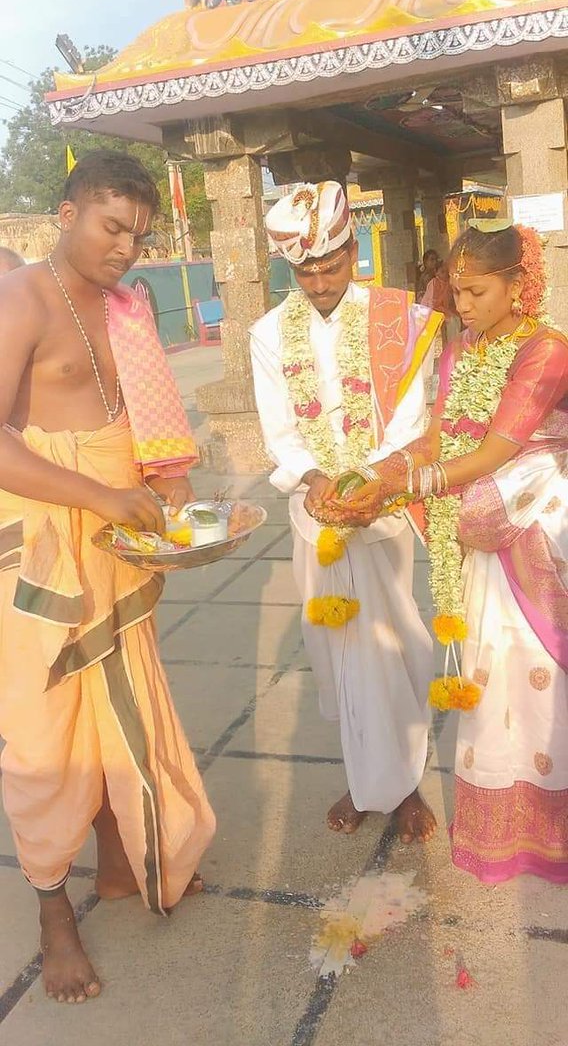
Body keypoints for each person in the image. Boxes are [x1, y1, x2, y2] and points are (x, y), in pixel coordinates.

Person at [0, 150, 215, 1004]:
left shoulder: (128, 308)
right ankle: (55, 905)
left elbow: (142, 420)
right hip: (42, 546)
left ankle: (125, 858)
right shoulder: (19, 302)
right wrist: (101, 494)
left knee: (127, 701)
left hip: (120, 540)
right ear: (66, 214)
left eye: (140, 234)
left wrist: (166, 480)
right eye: (111, 225)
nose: (126, 248)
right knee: (46, 731)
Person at [329, 220, 568, 883]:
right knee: (492, 674)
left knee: (539, 670)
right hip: (481, 528)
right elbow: (439, 436)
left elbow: (497, 449)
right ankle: (504, 821)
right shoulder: (464, 348)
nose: (463, 305)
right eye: (457, 291)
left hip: (538, 529)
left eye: (477, 291)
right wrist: (373, 475)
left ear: (519, 285)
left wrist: (415, 483)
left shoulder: (546, 352)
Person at [249, 181, 442, 841]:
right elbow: (279, 429)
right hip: (316, 514)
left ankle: (407, 784)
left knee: (395, 648)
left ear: (352, 253)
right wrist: (311, 479)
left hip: (381, 509)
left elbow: (413, 416)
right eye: (306, 270)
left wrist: (367, 482)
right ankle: (366, 781)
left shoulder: (399, 319)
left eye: (331, 266)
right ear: (290, 268)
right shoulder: (269, 333)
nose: (321, 281)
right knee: (337, 655)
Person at [422, 260, 461, 345]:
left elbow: (448, 302)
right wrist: (448, 313)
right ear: (436, 273)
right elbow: (434, 303)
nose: (445, 274)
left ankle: (455, 344)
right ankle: (452, 345)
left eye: (446, 272)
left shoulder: (448, 283)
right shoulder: (434, 283)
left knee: (457, 319)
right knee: (451, 321)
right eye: (442, 272)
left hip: (442, 310)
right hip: (431, 310)